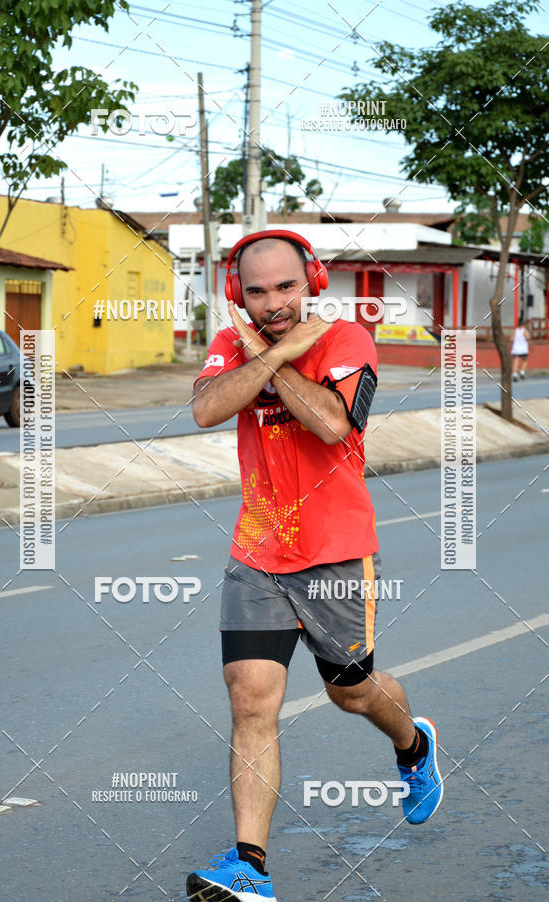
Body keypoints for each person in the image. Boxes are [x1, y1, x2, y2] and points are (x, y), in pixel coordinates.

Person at [186, 231, 442, 902]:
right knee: (250, 701)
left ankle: (413, 746)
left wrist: (278, 356)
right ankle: (251, 869)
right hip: (257, 552)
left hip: (334, 554)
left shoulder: (348, 342)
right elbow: (208, 407)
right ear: (239, 292)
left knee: (349, 692)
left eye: (286, 287)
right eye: (258, 290)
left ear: (314, 281)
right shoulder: (235, 341)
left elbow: (333, 424)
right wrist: (276, 351)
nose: (272, 303)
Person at [511, 316, 531, 380]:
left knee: (515, 361)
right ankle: (522, 372)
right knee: (525, 360)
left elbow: (511, 339)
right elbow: (528, 337)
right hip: (523, 349)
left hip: (516, 348)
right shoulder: (524, 331)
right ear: (524, 325)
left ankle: (514, 374)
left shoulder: (515, 331)